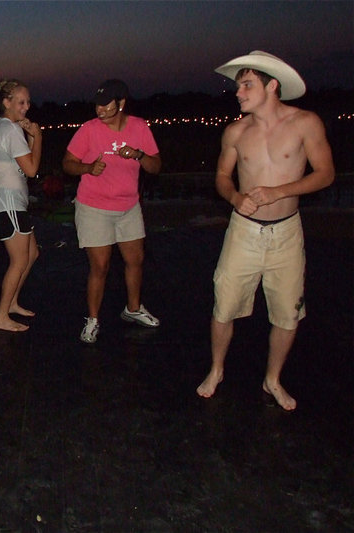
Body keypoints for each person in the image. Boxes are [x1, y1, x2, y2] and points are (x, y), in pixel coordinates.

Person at [196, 51, 334, 410]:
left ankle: (272, 379)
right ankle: (216, 369)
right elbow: (222, 178)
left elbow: (325, 174)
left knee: (288, 313)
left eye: (247, 85)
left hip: (287, 233)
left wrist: (280, 191)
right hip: (244, 231)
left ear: (272, 86)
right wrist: (234, 197)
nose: (238, 92)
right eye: (238, 85)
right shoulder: (236, 131)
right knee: (223, 306)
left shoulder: (306, 123)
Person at [62, 79, 162, 344]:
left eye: (106, 105)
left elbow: (155, 166)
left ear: (121, 103)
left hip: (128, 207)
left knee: (135, 260)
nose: (100, 110)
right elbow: (67, 163)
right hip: (93, 207)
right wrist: (87, 168)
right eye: (97, 105)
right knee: (101, 266)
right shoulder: (89, 130)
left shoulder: (139, 127)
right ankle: (93, 320)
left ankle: (133, 308)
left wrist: (139, 155)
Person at [0, 79, 42, 332]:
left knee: (32, 254)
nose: (26, 107)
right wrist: (38, 136)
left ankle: (11, 303)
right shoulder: (9, 129)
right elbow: (31, 170)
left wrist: (30, 138)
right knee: (19, 260)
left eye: (28, 102)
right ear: (6, 102)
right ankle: (1, 316)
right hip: (8, 204)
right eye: (21, 102)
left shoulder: (6, 128)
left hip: (13, 202)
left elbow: (23, 162)